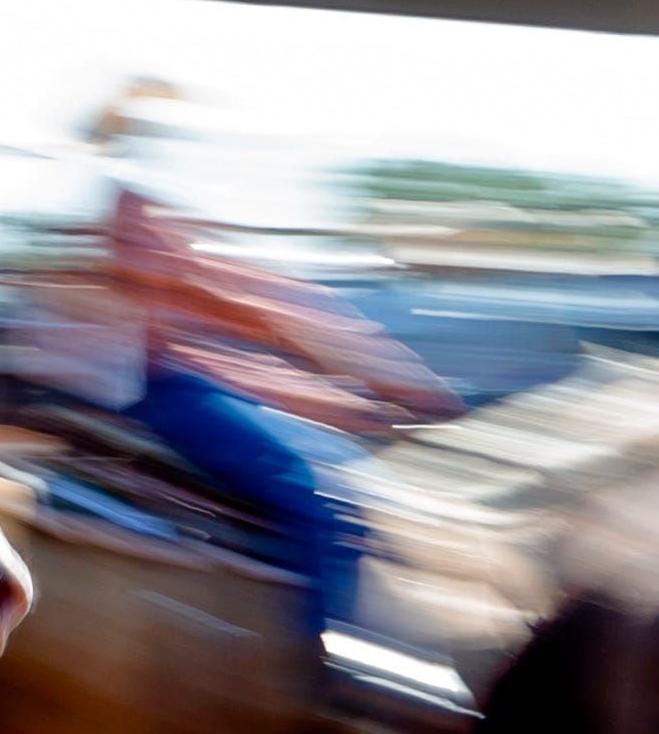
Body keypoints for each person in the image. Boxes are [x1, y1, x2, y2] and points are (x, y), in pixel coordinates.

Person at [39, 86, 461, 683]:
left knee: (335, 467)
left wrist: (358, 386)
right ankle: (326, 672)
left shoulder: (144, 209)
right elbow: (237, 309)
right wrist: (365, 376)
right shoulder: (133, 211)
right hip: (152, 393)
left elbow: (256, 311)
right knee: (315, 500)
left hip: (172, 382)